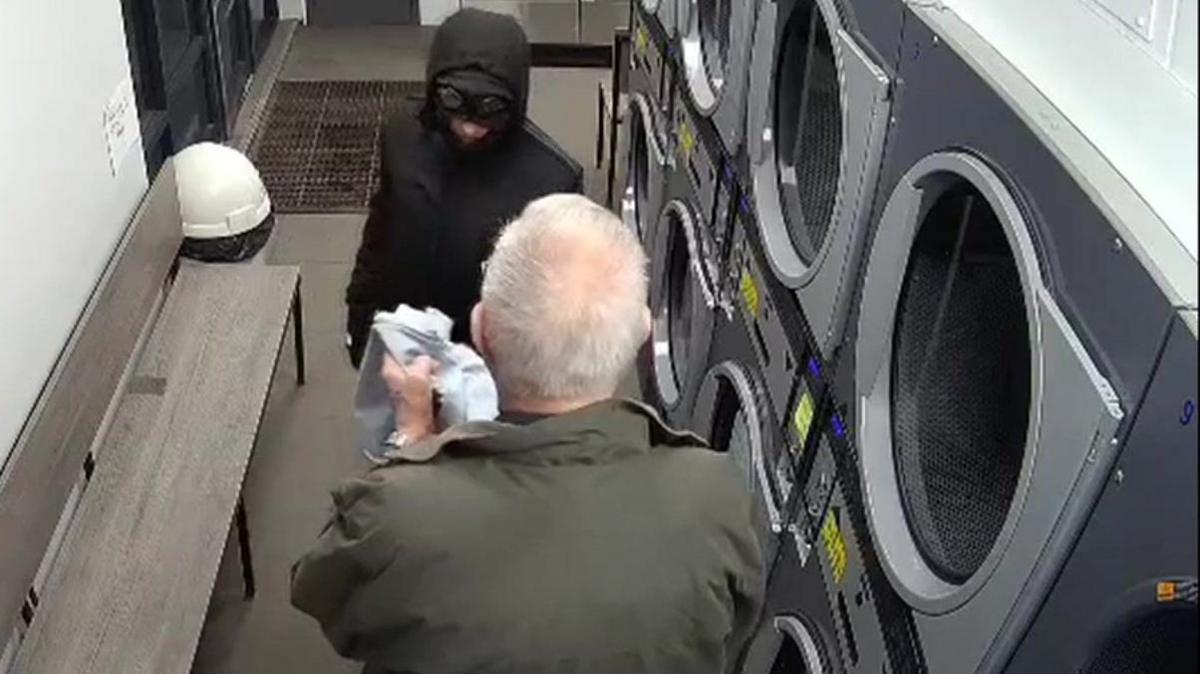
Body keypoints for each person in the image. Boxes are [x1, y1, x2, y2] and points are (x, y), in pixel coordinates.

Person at [293, 195, 765, 674]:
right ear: (644, 331)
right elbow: (732, 634)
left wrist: (415, 443)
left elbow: (333, 607)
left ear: (482, 330)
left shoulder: (392, 516)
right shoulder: (714, 496)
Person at [344, 8, 583, 368]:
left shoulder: (552, 183)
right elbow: (379, 234)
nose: (470, 130)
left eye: (489, 111)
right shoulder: (403, 135)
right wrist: (359, 320)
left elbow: (557, 311)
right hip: (397, 347)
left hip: (484, 372)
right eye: (457, 108)